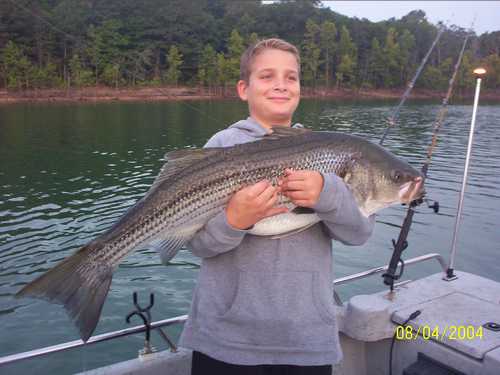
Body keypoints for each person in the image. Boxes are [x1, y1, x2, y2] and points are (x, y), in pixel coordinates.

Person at [179, 38, 375, 375]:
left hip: (307, 340)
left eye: (291, 77)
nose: (281, 85)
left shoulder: (327, 150)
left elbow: (358, 234)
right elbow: (198, 245)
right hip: (225, 339)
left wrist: (327, 194)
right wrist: (232, 221)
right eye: (267, 76)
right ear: (244, 88)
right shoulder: (221, 145)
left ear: (300, 87)